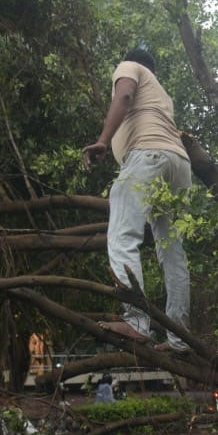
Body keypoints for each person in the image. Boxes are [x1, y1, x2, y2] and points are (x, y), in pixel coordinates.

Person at [84, 48, 192, 352]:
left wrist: (103, 140)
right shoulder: (162, 97)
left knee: (122, 234)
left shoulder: (130, 66)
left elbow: (125, 96)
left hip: (148, 156)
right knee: (172, 252)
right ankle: (179, 336)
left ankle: (136, 321)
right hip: (178, 167)